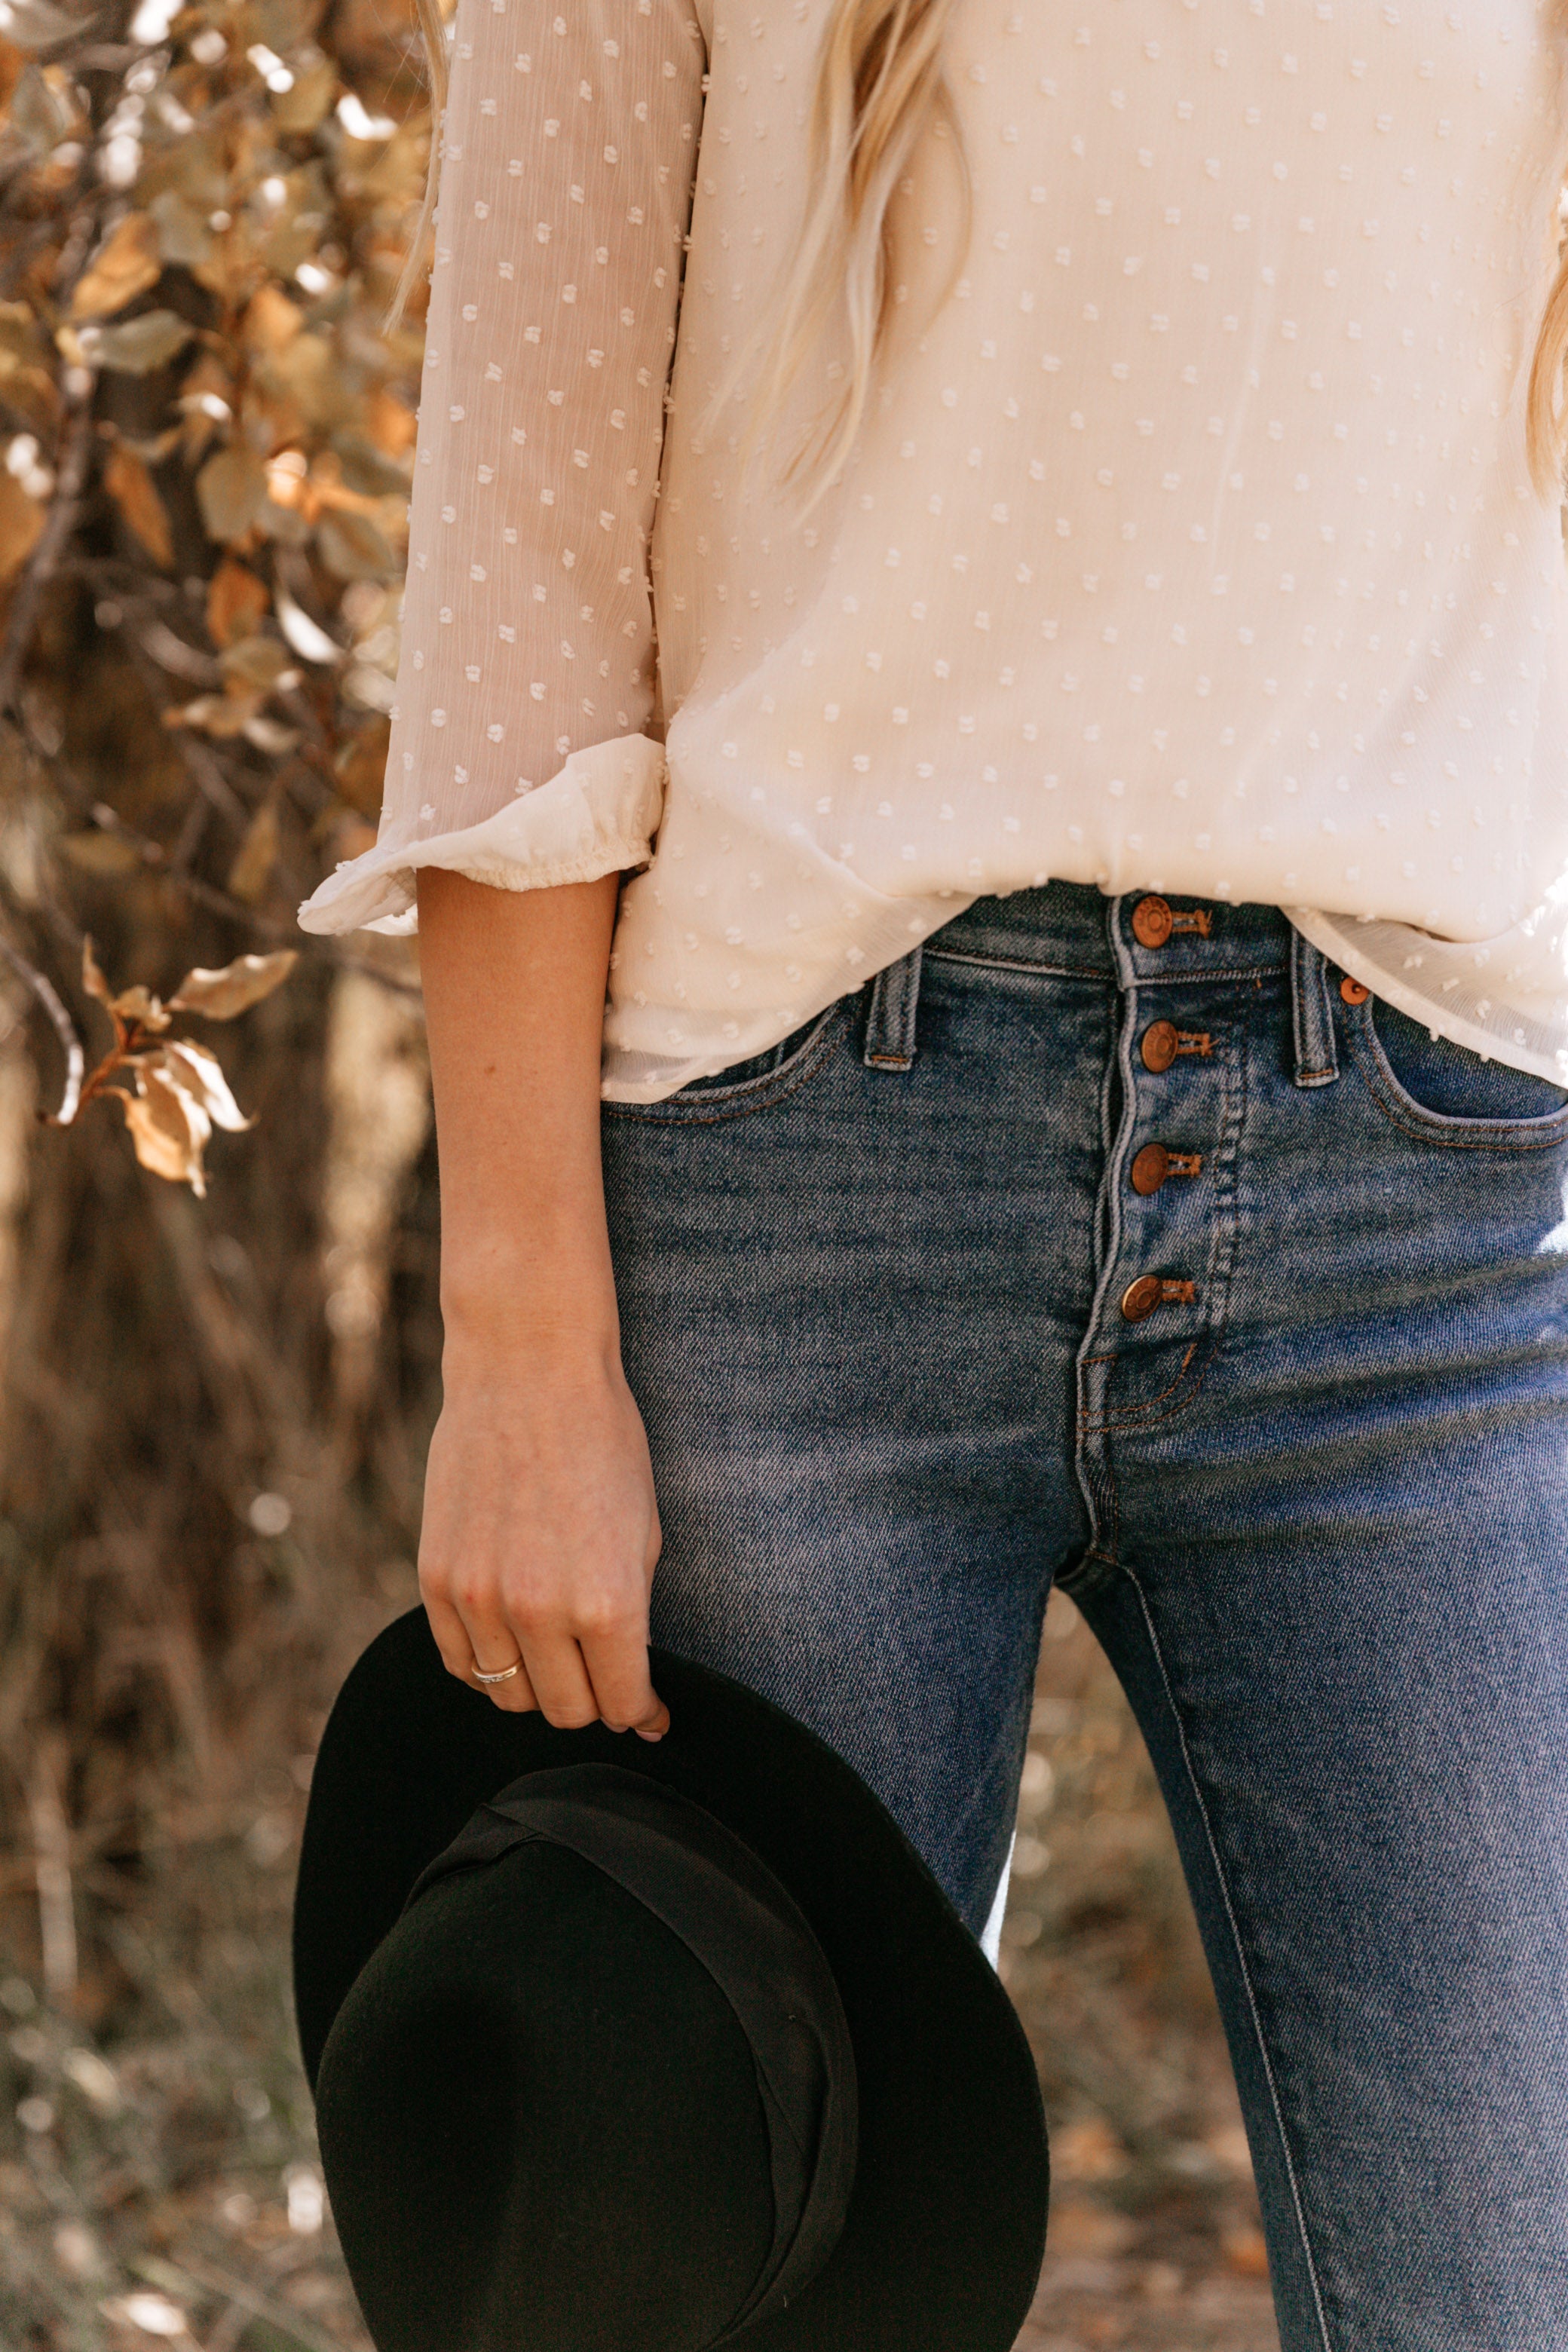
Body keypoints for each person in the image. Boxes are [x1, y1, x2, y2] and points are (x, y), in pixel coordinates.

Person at [300, 4, 1568, 2344]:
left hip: (1431, 1214)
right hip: (802, 1199)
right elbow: (523, 615)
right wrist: (521, 1352)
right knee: (720, 2270)